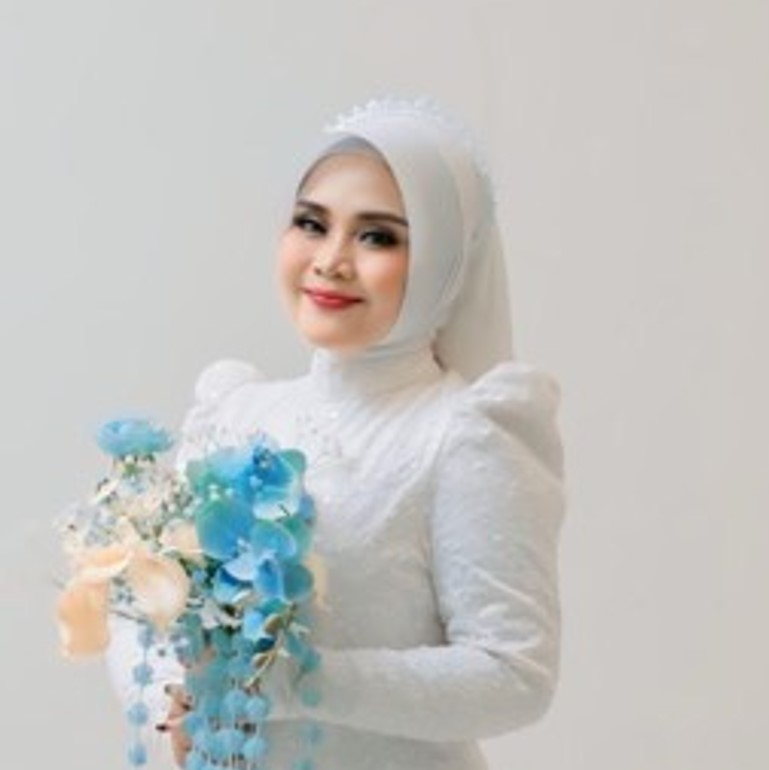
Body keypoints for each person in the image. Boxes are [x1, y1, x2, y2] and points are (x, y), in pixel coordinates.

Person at [107, 97, 566, 770]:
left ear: (443, 257)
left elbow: (513, 675)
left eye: (377, 236)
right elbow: (142, 604)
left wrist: (291, 681)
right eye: (311, 224)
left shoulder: (466, 433)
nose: (330, 260)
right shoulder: (235, 411)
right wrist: (168, 712)